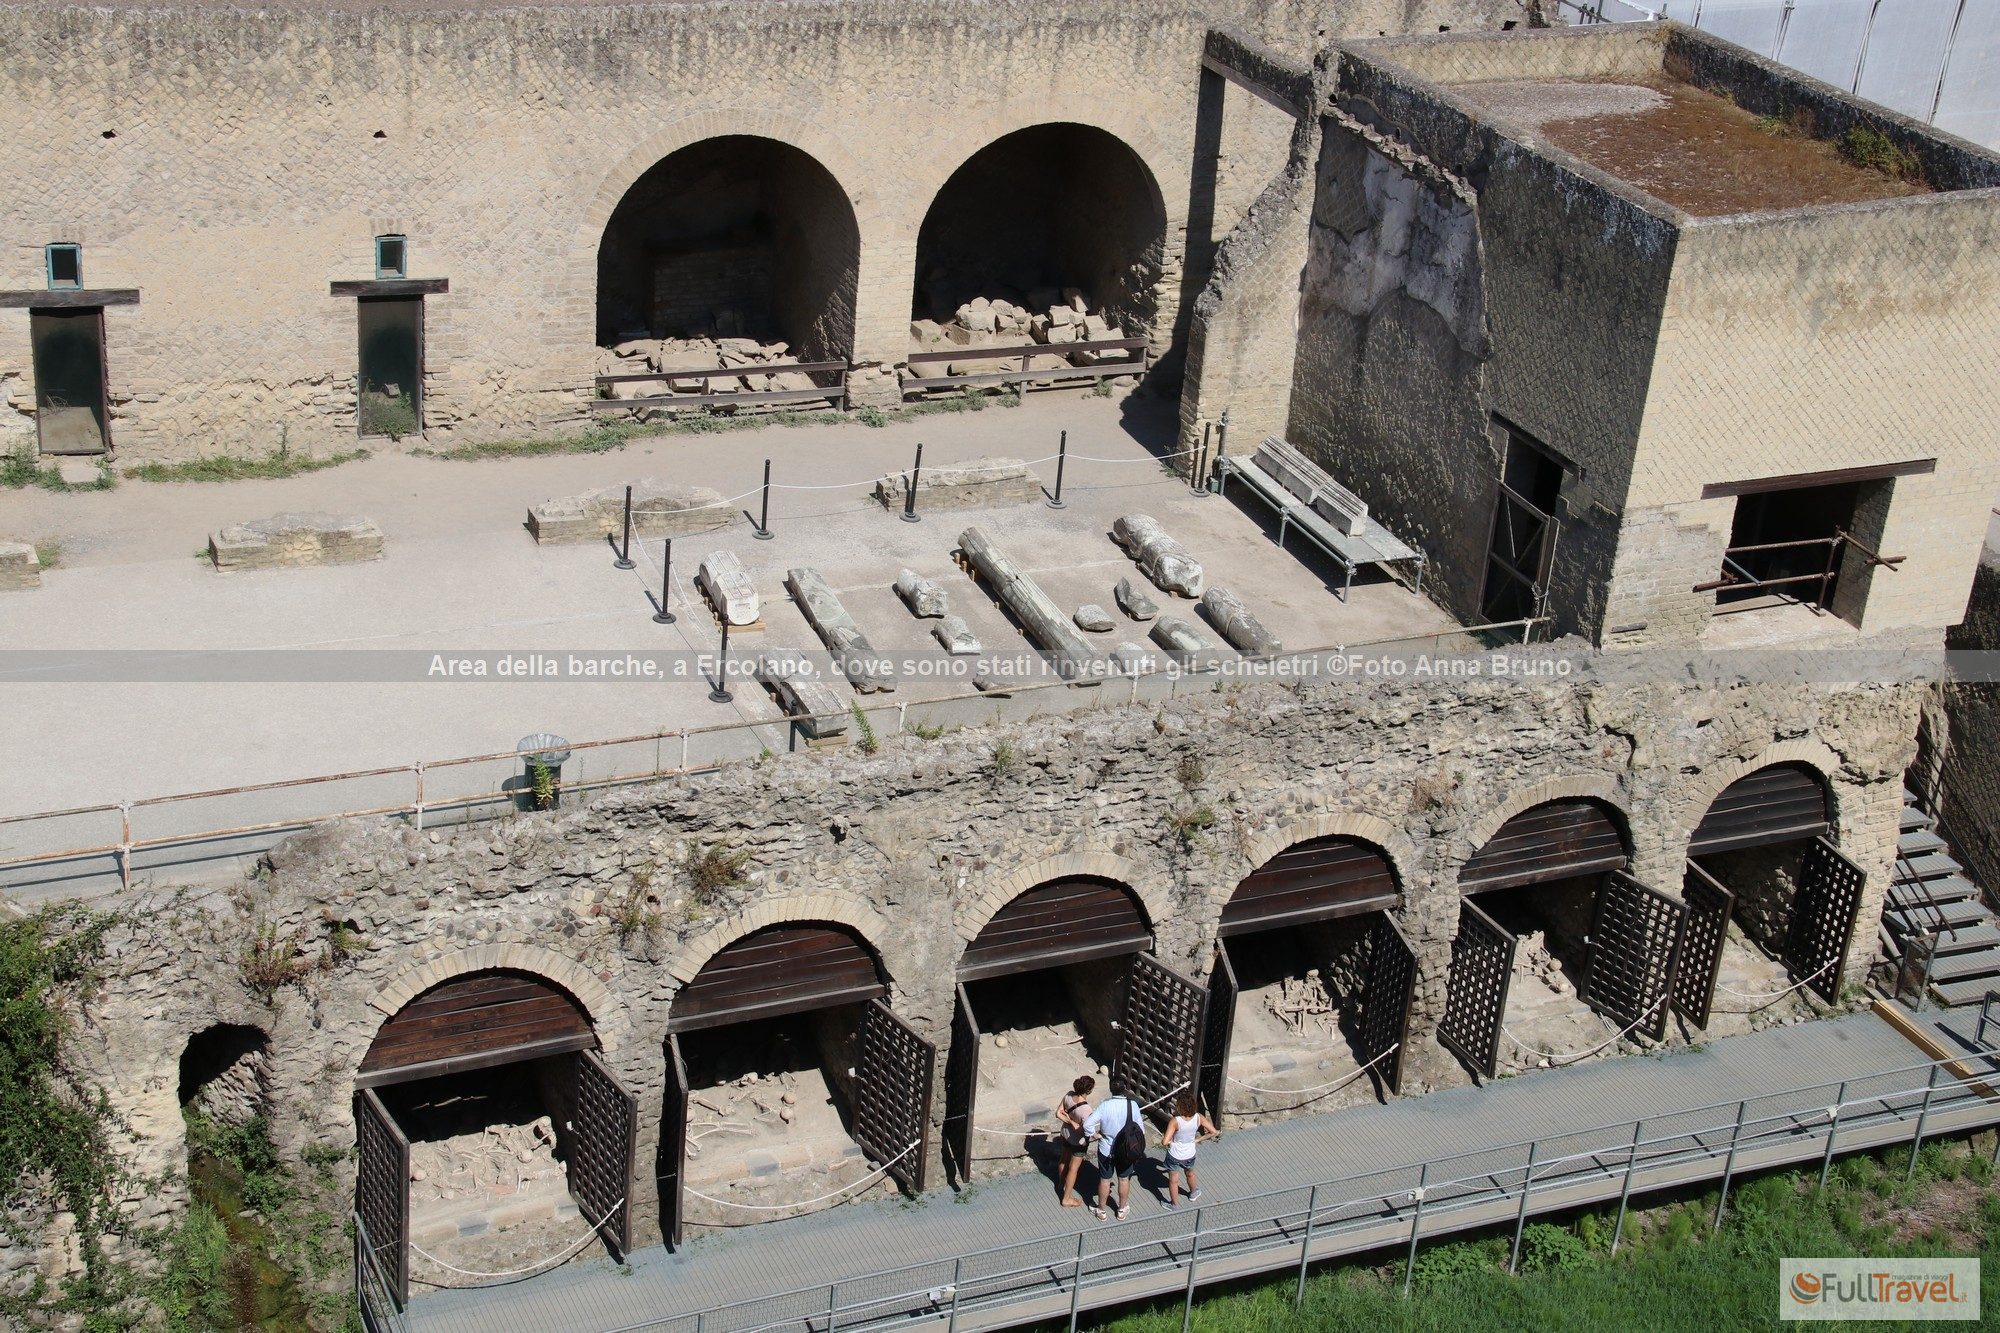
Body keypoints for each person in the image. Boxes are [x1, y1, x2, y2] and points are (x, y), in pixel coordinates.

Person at [1083, 1084, 1146, 1220]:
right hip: (1126, 1151)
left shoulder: (1105, 1106)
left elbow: (1087, 1124)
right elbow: (1141, 1129)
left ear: (1111, 1090)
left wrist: (1095, 1135)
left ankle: (1101, 1210)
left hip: (1107, 1149)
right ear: (1124, 1089)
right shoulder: (1132, 1105)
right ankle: (1122, 1209)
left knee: (1105, 1180)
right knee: (1124, 1179)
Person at [1160, 1093, 1216, 1210]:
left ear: (1179, 1107)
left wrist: (1171, 1142)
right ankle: (1193, 1192)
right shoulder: (1198, 1117)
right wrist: (1198, 1139)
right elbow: (1213, 1131)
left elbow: (1165, 1142)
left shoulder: (1175, 1121)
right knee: (1190, 1173)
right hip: (1190, 1152)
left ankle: (1174, 1204)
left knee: (1173, 1180)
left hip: (1175, 1154)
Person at [1053, 1075, 1095, 1208]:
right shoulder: (1086, 1110)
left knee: (1063, 1159)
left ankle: (1061, 1183)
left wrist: (1068, 1119)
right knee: (1073, 1169)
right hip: (1078, 1142)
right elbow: (1081, 1130)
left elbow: (1058, 1113)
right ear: (1089, 1090)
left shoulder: (1068, 1096)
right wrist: (1073, 1122)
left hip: (1065, 1134)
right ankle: (1067, 1198)